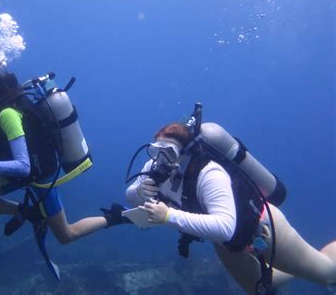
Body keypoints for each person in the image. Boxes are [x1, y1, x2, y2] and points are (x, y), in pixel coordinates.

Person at [125, 121, 336, 294]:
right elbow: (132, 197)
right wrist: (139, 192)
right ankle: (297, 267)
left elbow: (225, 225)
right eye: (155, 150)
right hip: (228, 243)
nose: (160, 159)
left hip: (262, 227)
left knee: (327, 273)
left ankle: (311, 263)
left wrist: (168, 215)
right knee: (258, 288)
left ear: (184, 153)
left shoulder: (209, 173)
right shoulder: (153, 167)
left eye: (168, 152)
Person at [0, 65, 125, 248]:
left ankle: (114, 217)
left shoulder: (7, 114)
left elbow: (24, 166)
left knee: (66, 235)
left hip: (39, 175)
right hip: (12, 173)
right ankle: (30, 213)